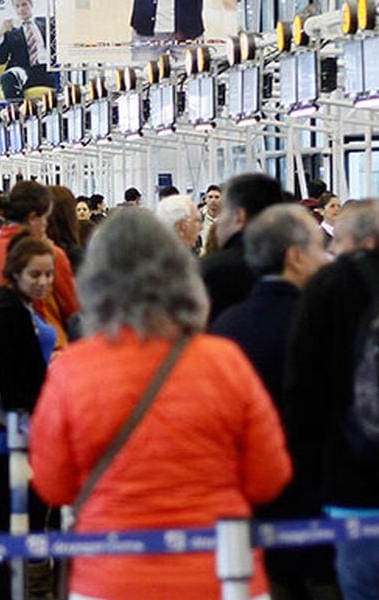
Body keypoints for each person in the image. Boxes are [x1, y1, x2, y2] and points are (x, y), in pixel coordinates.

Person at [30, 207, 292, 600]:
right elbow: (269, 477)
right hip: (222, 575)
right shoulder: (225, 362)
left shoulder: (73, 371)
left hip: (111, 576)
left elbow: (53, 485)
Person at [210, 204, 337, 600]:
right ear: (295, 257)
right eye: (319, 248)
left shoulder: (226, 326)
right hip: (318, 506)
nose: (327, 259)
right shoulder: (322, 322)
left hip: (247, 511)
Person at [284, 198, 379, 599]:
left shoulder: (327, 287)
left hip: (353, 482)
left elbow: (303, 387)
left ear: (359, 241)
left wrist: (310, 470)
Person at [0, 232, 58, 533]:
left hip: (30, 418)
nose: (43, 282)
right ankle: (22, 573)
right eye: (35, 274)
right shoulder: (9, 312)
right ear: (15, 272)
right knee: (21, 506)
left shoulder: (23, 306)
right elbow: (4, 371)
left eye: (48, 274)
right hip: (21, 421)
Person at [0, 180, 79, 348]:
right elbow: (71, 309)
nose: (47, 224)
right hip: (46, 347)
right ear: (33, 218)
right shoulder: (49, 254)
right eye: (46, 218)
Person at [201, 173, 285, 323]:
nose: (219, 221)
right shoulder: (291, 265)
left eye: (224, 211)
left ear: (239, 216)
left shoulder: (211, 271)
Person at [0, 0, 57, 100]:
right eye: (17, 6)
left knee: (61, 73)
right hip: (24, 70)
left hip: (47, 69)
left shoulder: (47, 23)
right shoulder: (10, 30)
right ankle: (17, 111)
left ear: (31, 5)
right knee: (8, 77)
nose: (21, 9)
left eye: (24, 5)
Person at [199, 184, 222, 255]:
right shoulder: (198, 217)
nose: (213, 200)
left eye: (217, 197)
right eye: (210, 197)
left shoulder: (228, 218)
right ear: (205, 199)